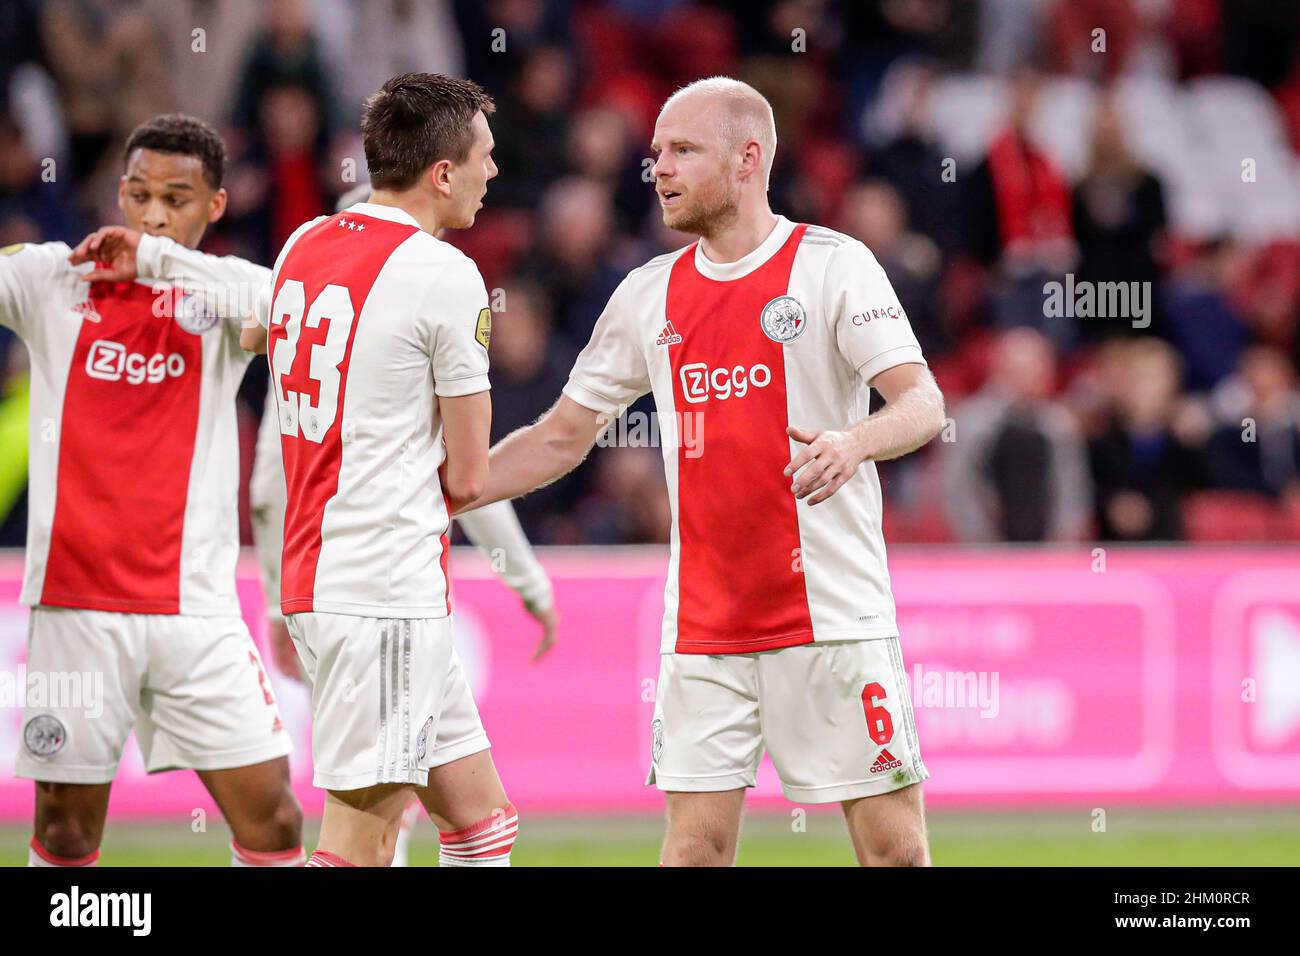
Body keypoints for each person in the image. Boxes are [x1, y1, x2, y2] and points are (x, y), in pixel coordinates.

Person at [465, 77, 946, 866]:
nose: (659, 168)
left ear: (749, 158)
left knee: (894, 852)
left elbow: (922, 403)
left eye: (683, 150)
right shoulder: (646, 294)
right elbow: (561, 437)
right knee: (694, 853)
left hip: (832, 617)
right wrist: (451, 486)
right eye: (657, 153)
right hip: (704, 629)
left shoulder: (833, 266)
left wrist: (854, 442)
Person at [1, 113, 302, 867]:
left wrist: (161, 261)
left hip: (196, 613)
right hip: (76, 611)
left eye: (177, 198)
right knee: (68, 832)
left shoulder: (222, 300)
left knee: (276, 823)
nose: (155, 214)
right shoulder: (53, 278)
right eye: (138, 196)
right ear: (120, 194)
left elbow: (293, 309)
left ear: (216, 206)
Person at [241, 72, 514, 867]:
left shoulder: (303, 243)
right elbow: (466, 477)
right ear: (442, 173)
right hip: (383, 591)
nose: (492, 174)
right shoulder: (446, 275)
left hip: (323, 576)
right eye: (484, 158)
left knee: (480, 822)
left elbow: (273, 340)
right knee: (362, 842)